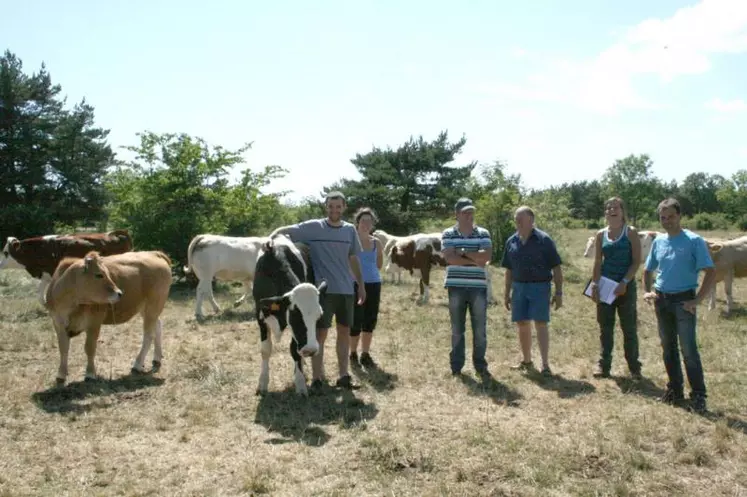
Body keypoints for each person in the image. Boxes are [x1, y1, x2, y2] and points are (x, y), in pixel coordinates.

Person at [269, 191, 366, 391]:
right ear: (326, 207)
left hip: (347, 289)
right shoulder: (314, 227)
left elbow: (354, 259)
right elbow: (285, 230)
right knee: (320, 334)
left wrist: (361, 285)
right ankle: (317, 379)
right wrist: (270, 239)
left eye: (338, 206)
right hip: (323, 292)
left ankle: (343, 376)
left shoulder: (349, 231)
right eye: (331, 206)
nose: (334, 210)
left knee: (344, 333)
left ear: (344, 207)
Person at [642, 197, 716, 413]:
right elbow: (647, 270)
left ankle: (699, 396)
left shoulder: (694, 241)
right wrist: (647, 291)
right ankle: (675, 390)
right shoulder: (659, 241)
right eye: (663, 217)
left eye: (671, 216)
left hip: (684, 301)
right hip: (662, 299)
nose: (667, 221)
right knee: (668, 347)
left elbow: (710, 271)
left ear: (680, 216)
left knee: (689, 349)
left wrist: (697, 300)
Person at [501, 205, 563, 377]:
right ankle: (526, 361)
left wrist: (559, 293)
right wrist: (506, 294)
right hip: (519, 287)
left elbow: (556, 268)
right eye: (516, 218)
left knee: (541, 323)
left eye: (520, 218)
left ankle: (545, 365)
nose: (517, 221)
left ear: (531, 220)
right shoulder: (511, 241)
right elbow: (509, 270)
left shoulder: (544, 240)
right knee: (522, 323)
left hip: (540, 287)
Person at [590, 196, 643, 380]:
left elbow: (637, 261)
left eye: (616, 208)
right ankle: (604, 366)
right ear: (605, 212)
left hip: (625, 288)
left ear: (622, 211)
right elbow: (598, 262)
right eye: (608, 208)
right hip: (605, 286)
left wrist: (625, 282)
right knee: (605, 328)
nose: (612, 210)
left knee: (628, 328)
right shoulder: (600, 234)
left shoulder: (631, 232)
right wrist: (595, 284)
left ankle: (634, 367)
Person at [441, 198, 492, 377]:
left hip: (478, 287)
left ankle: (480, 364)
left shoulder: (483, 233)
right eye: (465, 212)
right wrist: (473, 258)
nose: (469, 215)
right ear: (457, 214)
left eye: (471, 212)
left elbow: (485, 258)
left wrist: (461, 252)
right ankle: (456, 366)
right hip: (456, 287)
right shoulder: (448, 234)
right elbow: (449, 258)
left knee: (479, 329)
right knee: (457, 329)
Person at [350, 207, 383, 368]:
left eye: (369, 222)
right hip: (354, 284)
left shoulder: (377, 243)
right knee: (356, 319)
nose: (366, 224)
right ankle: (352, 353)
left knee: (370, 319)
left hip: (374, 284)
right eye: (363, 221)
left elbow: (379, 264)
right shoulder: (351, 240)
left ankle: (365, 353)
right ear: (357, 222)